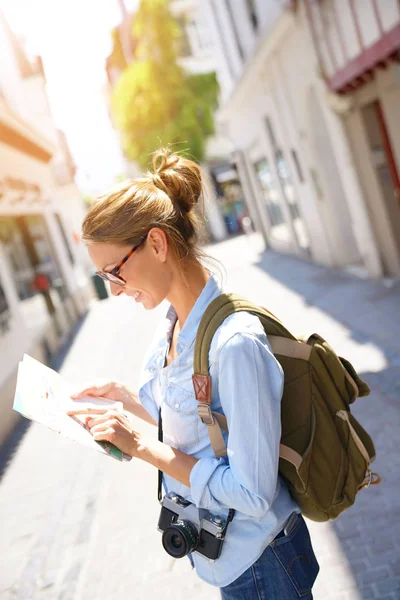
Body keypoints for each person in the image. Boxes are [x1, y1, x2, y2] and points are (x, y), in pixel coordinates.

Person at [69, 149, 319, 598]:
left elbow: (254, 494)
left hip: (263, 561)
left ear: (158, 244)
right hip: (228, 561)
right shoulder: (175, 326)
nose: (113, 290)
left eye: (114, 273)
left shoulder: (234, 344)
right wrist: (124, 399)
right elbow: (195, 421)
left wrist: (146, 449)